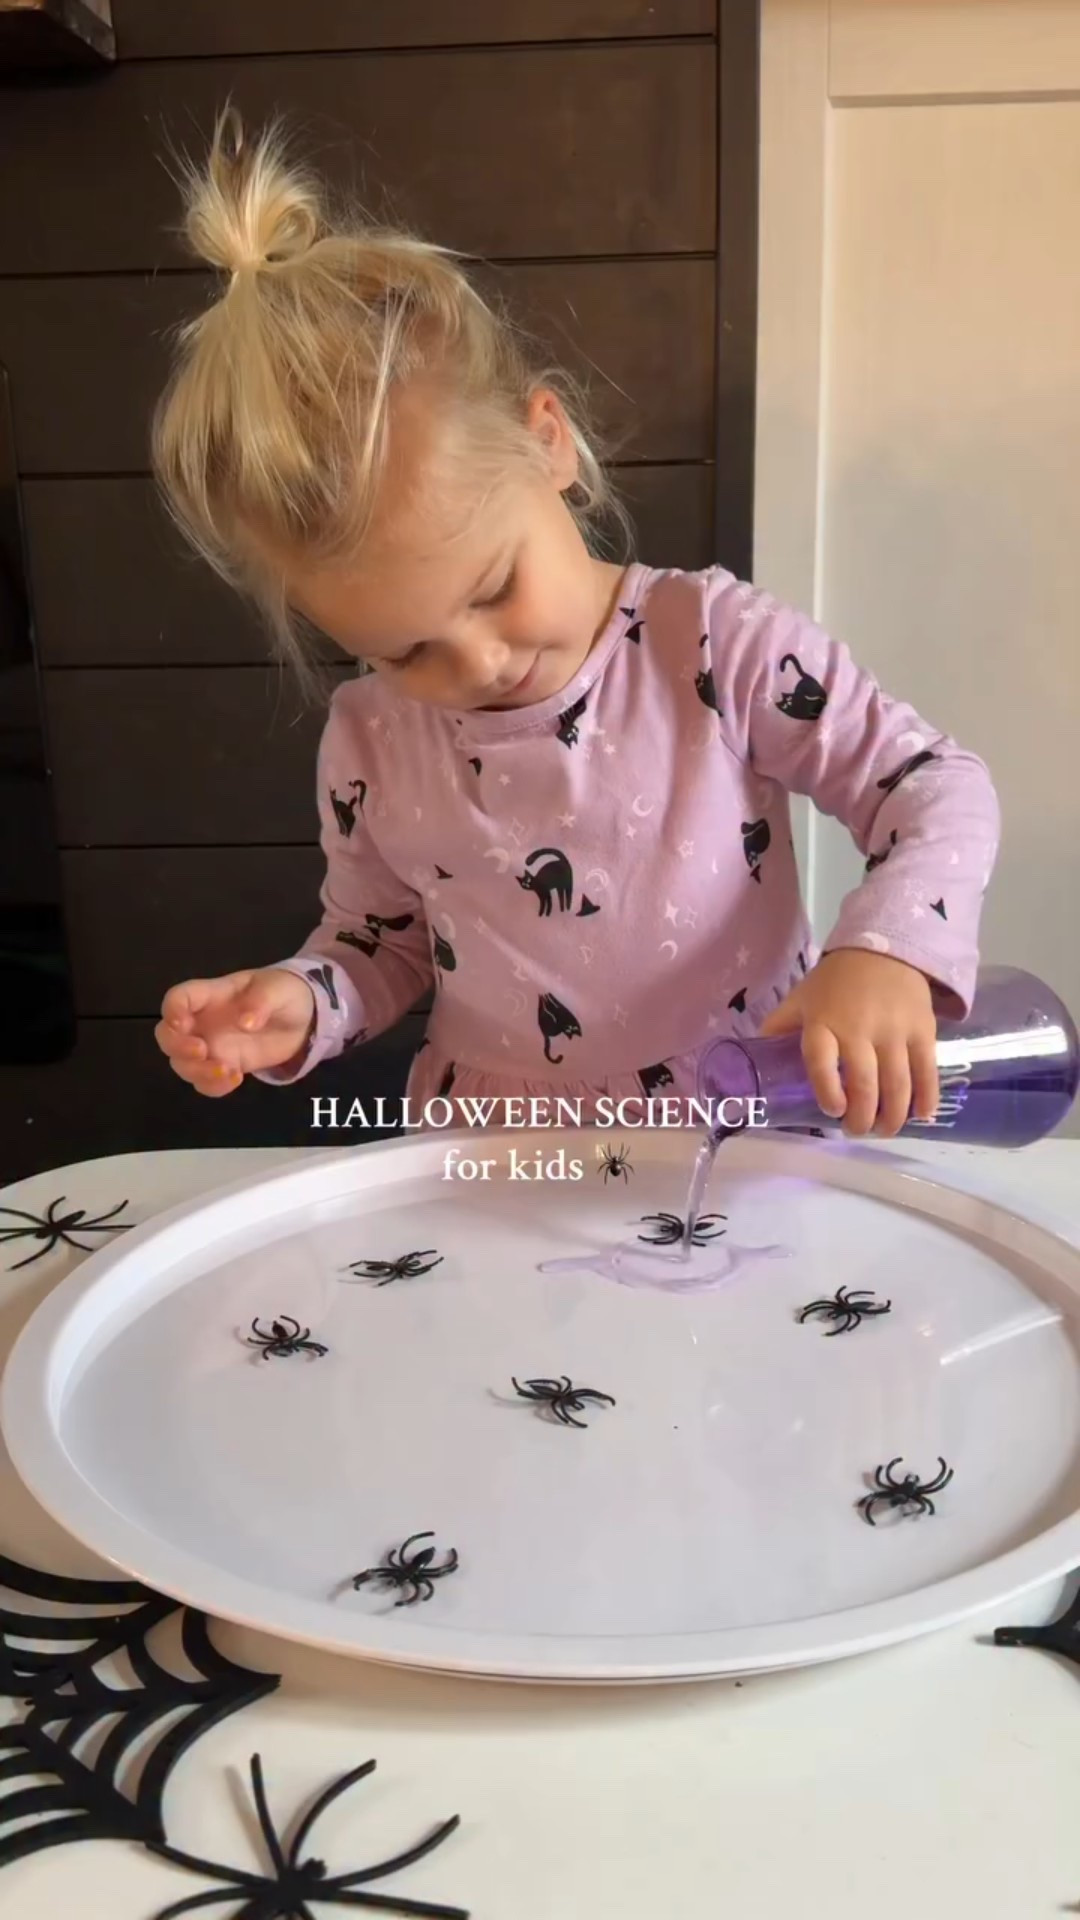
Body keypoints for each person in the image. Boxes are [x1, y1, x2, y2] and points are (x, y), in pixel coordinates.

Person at [152, 111, 999, 1140]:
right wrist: (300, 1005)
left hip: (741, 1147)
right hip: (501, 1164)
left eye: (492, 586)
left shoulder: (714, 645)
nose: (478, 660)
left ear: (545, 441)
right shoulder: (372, 740)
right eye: (403, 649)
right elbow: (380, 946)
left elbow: (931, 786)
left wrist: (886, 952)